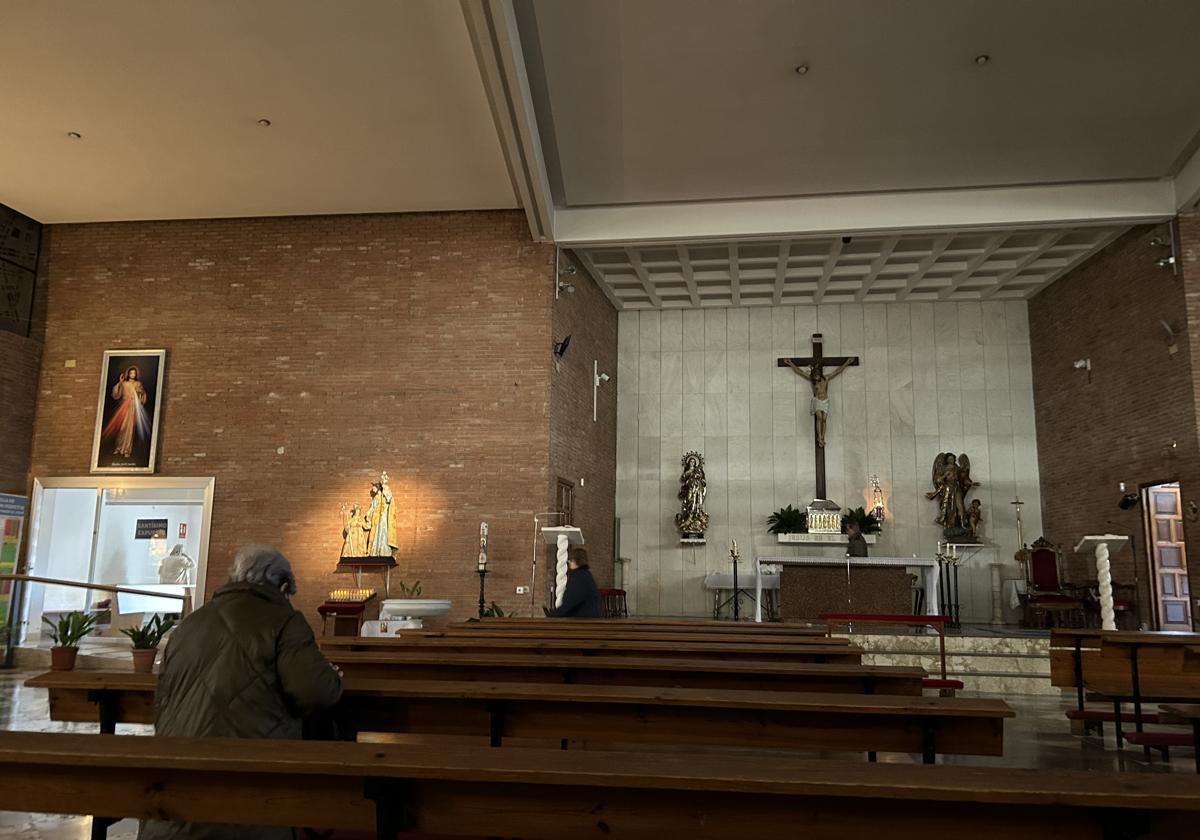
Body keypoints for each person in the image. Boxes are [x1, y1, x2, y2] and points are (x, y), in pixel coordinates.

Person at [139, 545, 343, 840]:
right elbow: (316, 693)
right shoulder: (284, 622)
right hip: (250, 790)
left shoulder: (190, 624)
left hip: (173, 788)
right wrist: (332, 679)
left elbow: (164, 701)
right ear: (282, 585)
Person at [548, 547, 602, 618]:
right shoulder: (585, 574)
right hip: (587, 617)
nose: (569, 563)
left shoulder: (579, 577)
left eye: (570, 560)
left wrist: (555, 613)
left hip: (583, 621)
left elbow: (571, 601)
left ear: (575, 561)